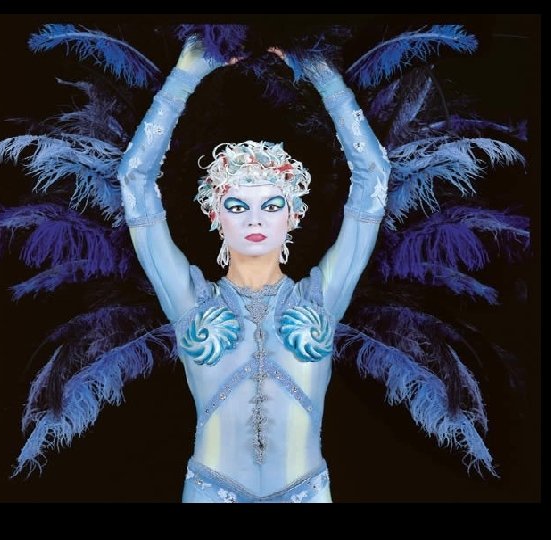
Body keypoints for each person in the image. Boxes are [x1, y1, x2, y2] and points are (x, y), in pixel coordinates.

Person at [115, 36, 390, 503]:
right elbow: (134, 180)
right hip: (212, 491)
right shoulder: (189, 300)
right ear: (215, 214)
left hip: (305, 493)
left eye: (272, 204)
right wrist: (185, 76)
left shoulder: (321, 298)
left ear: (293, 215)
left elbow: (374, 177)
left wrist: (322, 75)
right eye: (238, 205)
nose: (256, 220)